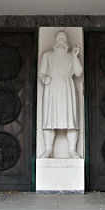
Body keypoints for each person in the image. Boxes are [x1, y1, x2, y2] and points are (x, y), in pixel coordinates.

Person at [38, 30, 83, 158]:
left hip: (68, 89)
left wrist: (75, 57)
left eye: (63, 38)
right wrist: (44, 79)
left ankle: (72, 150)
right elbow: (41, 73)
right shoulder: (47, 55)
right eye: (59, 37)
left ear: (67, 41)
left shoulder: (71, 55)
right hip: (51, 89)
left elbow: (78, 73)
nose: (61, 40)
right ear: (54, 40)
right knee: (49, 120)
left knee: (71, 120)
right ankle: (48, 150)